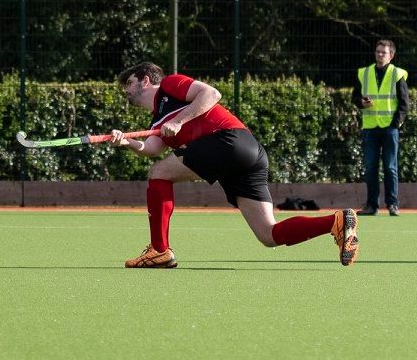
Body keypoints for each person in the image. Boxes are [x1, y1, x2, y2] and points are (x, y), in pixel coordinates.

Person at [108, 62, 358, 269]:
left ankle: (159, 250)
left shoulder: (170, 85)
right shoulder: (157, 121)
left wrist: (180, 121)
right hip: (246, 154)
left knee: (159, 173)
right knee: (268, 234)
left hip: (228, 140)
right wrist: (126, 141)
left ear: (145, 80)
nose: (126, 90)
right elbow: (150, 149)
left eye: (128, 83)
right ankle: (335, 222)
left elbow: (212, 94)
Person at [353, 39, 408, 216]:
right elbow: (355, 97)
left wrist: (396, 123)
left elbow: (404, 103)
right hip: (370, 127)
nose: (379, 55)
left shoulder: (397, 74)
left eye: (383, 52)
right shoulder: (365, 73)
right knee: (370, 167)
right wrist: (361, 102)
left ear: (391, 55)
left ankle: (393, 204)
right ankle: (372, 206)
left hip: (390, 128)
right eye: (377, 51)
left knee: (390, 167)